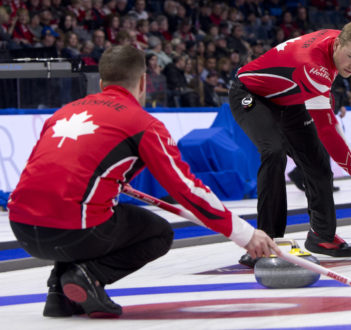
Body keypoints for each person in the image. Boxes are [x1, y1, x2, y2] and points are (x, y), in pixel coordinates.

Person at [7, 45, 277, 318]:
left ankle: (57, 293)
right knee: (157, 232)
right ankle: (89, 276)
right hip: (73, 231)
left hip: (22, 228)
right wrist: (244, 233)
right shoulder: (143, 123)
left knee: (77, 202)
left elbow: (49, 174)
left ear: (101, 83)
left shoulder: (63, 113)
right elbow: (186, 188)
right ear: (143, 82)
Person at [229, 22, 351, 266]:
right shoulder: (314, 67)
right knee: (274, 151)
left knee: (317, 162)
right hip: (249, 95)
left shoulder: (338, 41)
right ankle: (266, 239)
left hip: (289, 100)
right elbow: (327, 129)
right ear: (339, 43)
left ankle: (322, 235)